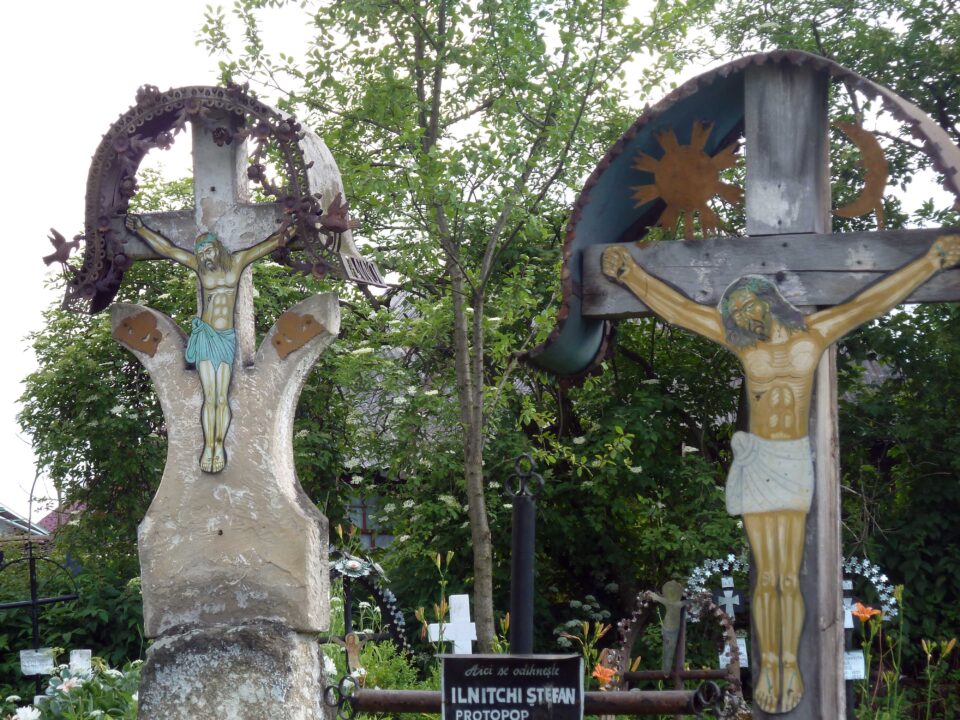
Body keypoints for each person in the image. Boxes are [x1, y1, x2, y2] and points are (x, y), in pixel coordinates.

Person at [602, 234, 960, 713]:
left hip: (792, 460)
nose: (744, 318)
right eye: (738, 312)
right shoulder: (741, 344)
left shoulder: (813, 335)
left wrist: (931, 262)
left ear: (768, 302)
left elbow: (873, 299)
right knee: (763, 577)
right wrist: (632, 275)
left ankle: (786, 664)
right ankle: (766, 664)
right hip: (757, 461)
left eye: (749, 307)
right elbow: (681, 312)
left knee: (785, 578)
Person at [125, 214, 294, 473]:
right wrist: (142, 231)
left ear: (217, 248)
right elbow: (169, 250)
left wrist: (291, 229)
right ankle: (209, 447)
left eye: (207, 250)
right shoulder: (200, 268)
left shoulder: (237, 263)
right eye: (200, 251)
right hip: (205, 336)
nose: (204, 256)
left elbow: (268, 244)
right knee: (210, 396)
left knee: (221, 398)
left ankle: (219, 444)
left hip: (225, 338)